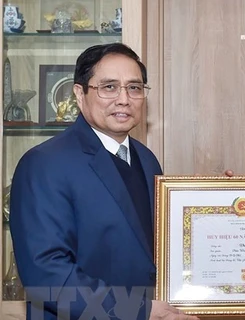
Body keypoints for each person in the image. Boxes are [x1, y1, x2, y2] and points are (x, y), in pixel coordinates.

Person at [9, 43, 199, 320]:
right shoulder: (44, 163)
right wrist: (138, 310)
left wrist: (214, 205)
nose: (124, 99)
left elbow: (153, 247)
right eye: (109, 87)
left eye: (134, 88)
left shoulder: (146, 160)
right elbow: (46, 277)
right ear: (79, 93)